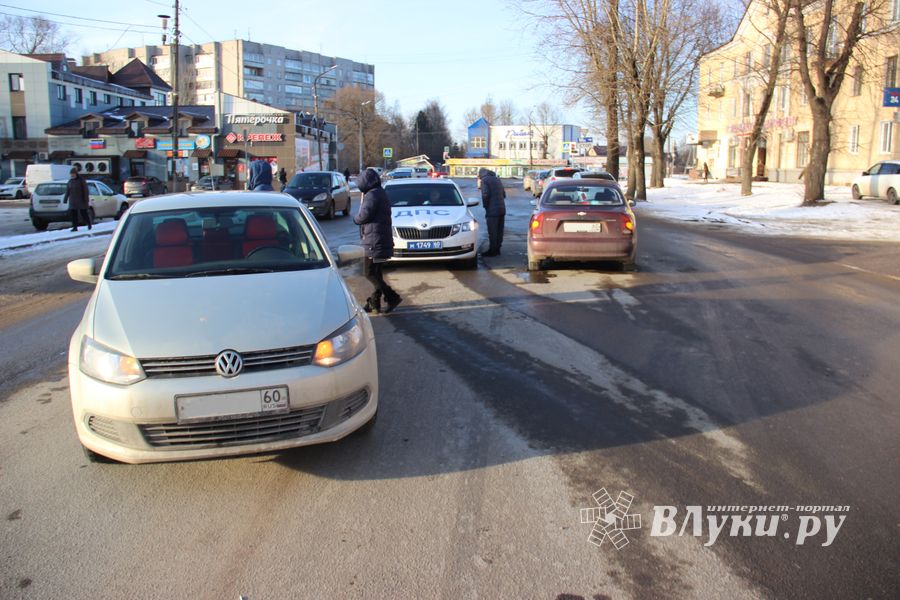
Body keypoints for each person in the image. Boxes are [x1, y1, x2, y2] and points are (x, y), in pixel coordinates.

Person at [354, 168, 402, 314]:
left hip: (374, 241)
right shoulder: (380, 192)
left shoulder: (371, 195)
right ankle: (374, 303)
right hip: (380, 240)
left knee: (369, 273)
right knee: (376, 273)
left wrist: (356, 219)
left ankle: (392, 297)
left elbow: (364, 216)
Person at [478, 167, 506, 256]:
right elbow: (504, 194)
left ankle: (492, 251)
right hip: (502, 209)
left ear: (481, 174)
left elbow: (485, 195)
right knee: (499, 231)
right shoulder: (497, 179)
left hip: (492, 210)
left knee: (492, 231)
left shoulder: (484, 181)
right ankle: (497, 249)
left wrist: (486, 206)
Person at [65, 168, 91, 232]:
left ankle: (89, 223)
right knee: (74, 215)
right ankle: (75, 227)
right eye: (71, 174)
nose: (72, 175)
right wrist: (65, 199)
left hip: (81, 200)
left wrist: (86, 199)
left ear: (76, 174)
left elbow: (85, 190)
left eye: (73, 174)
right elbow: (67, 191)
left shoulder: (81, 180)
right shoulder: (70, 181)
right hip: (73, 201)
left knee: (83, 213)